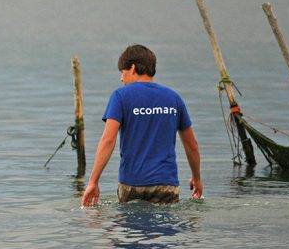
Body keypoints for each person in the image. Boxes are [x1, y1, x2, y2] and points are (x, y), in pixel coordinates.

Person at [81, 44, 203, 206]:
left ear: (132, 68)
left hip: (132, 184)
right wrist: (196, 178)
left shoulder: (120, 96)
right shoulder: (173, 98)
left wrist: (93, 182)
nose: (121, 78)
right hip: (166, 184)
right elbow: (191, 145)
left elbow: (108, 140)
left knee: (132, 229)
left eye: (122, 72)